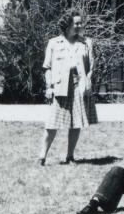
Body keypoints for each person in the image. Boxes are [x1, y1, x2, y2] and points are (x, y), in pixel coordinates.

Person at [38, 12, 96, 166]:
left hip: (79, 87)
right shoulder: (54, 43)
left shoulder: (87, 43)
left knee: (76, 123)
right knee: (52, 124)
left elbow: (91, 67)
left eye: (80, 23)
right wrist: (49, 87)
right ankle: (41, 157)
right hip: (59, 87)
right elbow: (47, 67)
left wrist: (87, 83)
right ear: (67, 24)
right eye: (76, 23)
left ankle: (70, 156)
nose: (79, 26)